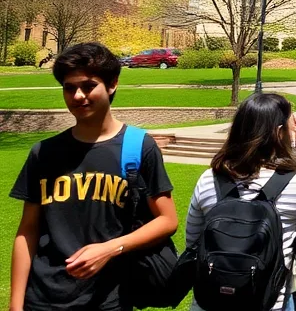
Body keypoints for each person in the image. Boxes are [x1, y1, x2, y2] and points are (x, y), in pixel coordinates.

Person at [9, 43, 179, 311]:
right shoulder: (43, 153)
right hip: (42, 298)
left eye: (88, 86)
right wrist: (15, 304)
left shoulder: (138, 147)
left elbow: (167, 220)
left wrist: (111, 248)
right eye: (69, 88)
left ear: (112, 85)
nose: (78, 96)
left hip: (108, 297)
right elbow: (27, 231)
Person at [186, 93, 296, 311]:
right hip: (270, 303)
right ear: (279, 133)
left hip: (211, 301)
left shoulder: (208, 179)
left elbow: (193, 241)